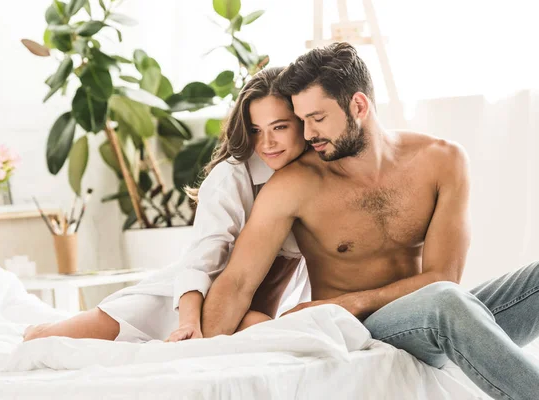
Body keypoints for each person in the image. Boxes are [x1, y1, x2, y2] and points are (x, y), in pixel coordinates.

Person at [201, 42, 539, 399]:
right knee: (445, 303)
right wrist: (201, 349)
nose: (309, 133)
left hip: (426, 316)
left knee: (456, 297)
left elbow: (444, 277)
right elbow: (237, 281)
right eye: (302, 121)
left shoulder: (442, 160)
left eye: (317, 118)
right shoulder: (295, 185)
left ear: (358, 106)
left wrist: (351, 301)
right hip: (361, 330)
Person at [24, 67, 311, 343]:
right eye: (256, 130)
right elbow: (201, 261)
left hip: (249, 308)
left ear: (303, 121)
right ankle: (38, 328)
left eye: (279, 127)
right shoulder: (232, 176)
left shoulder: (318, 180)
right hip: (185, 302)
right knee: (48, 339)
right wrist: (188, 323)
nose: (267, 143)